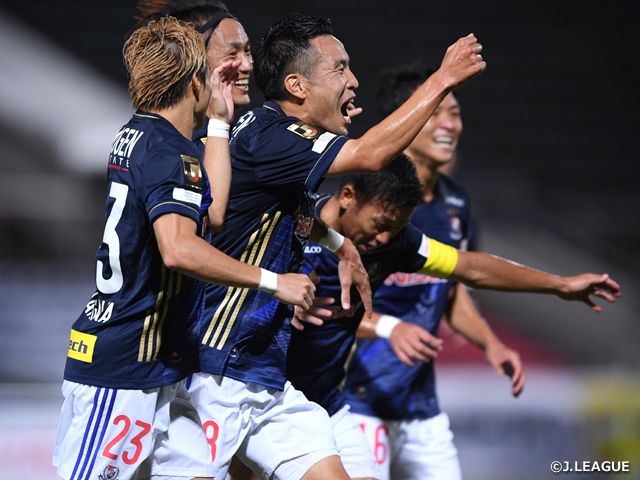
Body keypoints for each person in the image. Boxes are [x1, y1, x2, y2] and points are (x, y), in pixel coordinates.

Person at [188, 12, 487, 480]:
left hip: (264, 376)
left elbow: (286, 213)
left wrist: (339, 244)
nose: (353, 81)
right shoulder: (273, 137)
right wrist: (442, 79)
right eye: (339, 68)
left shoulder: (277, 144)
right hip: (216, 368)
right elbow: (370, 154)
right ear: (297, 86)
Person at [51, 17, 314, 480]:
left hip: (160, 372)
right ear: (195, 80)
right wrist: (273, 282)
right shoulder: (168, 153)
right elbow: (179, 250)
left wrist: (218, 123)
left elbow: (212, 214)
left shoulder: (143, 135)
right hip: (122, 371)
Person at [288, 156, 620, 480]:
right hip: (273, 396)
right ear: (348, 196)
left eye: (396, 228)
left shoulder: (396, 243)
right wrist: (280, 297)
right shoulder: (291, 224)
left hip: (326, 402)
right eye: (381, 224)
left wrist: (560, 285)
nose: (385, 238)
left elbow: (471, 268)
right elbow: (257, 277)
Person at [343, 61, 523, 480]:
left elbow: (450, 292)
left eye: (454, 113)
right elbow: (330, 303)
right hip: (357, 399)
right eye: (436, 112)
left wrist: (491, 344)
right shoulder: (366, 204)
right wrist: (390, 328)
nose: (449, 125)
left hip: (422, 408)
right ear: (411, 116)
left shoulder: (456, 202)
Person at [134, 0, 254, 230]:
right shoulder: (184, 145)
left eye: (247, 51)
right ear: (195, 62)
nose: (247, 65)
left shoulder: (151, 131)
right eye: (233, 54)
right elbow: (211, 217)